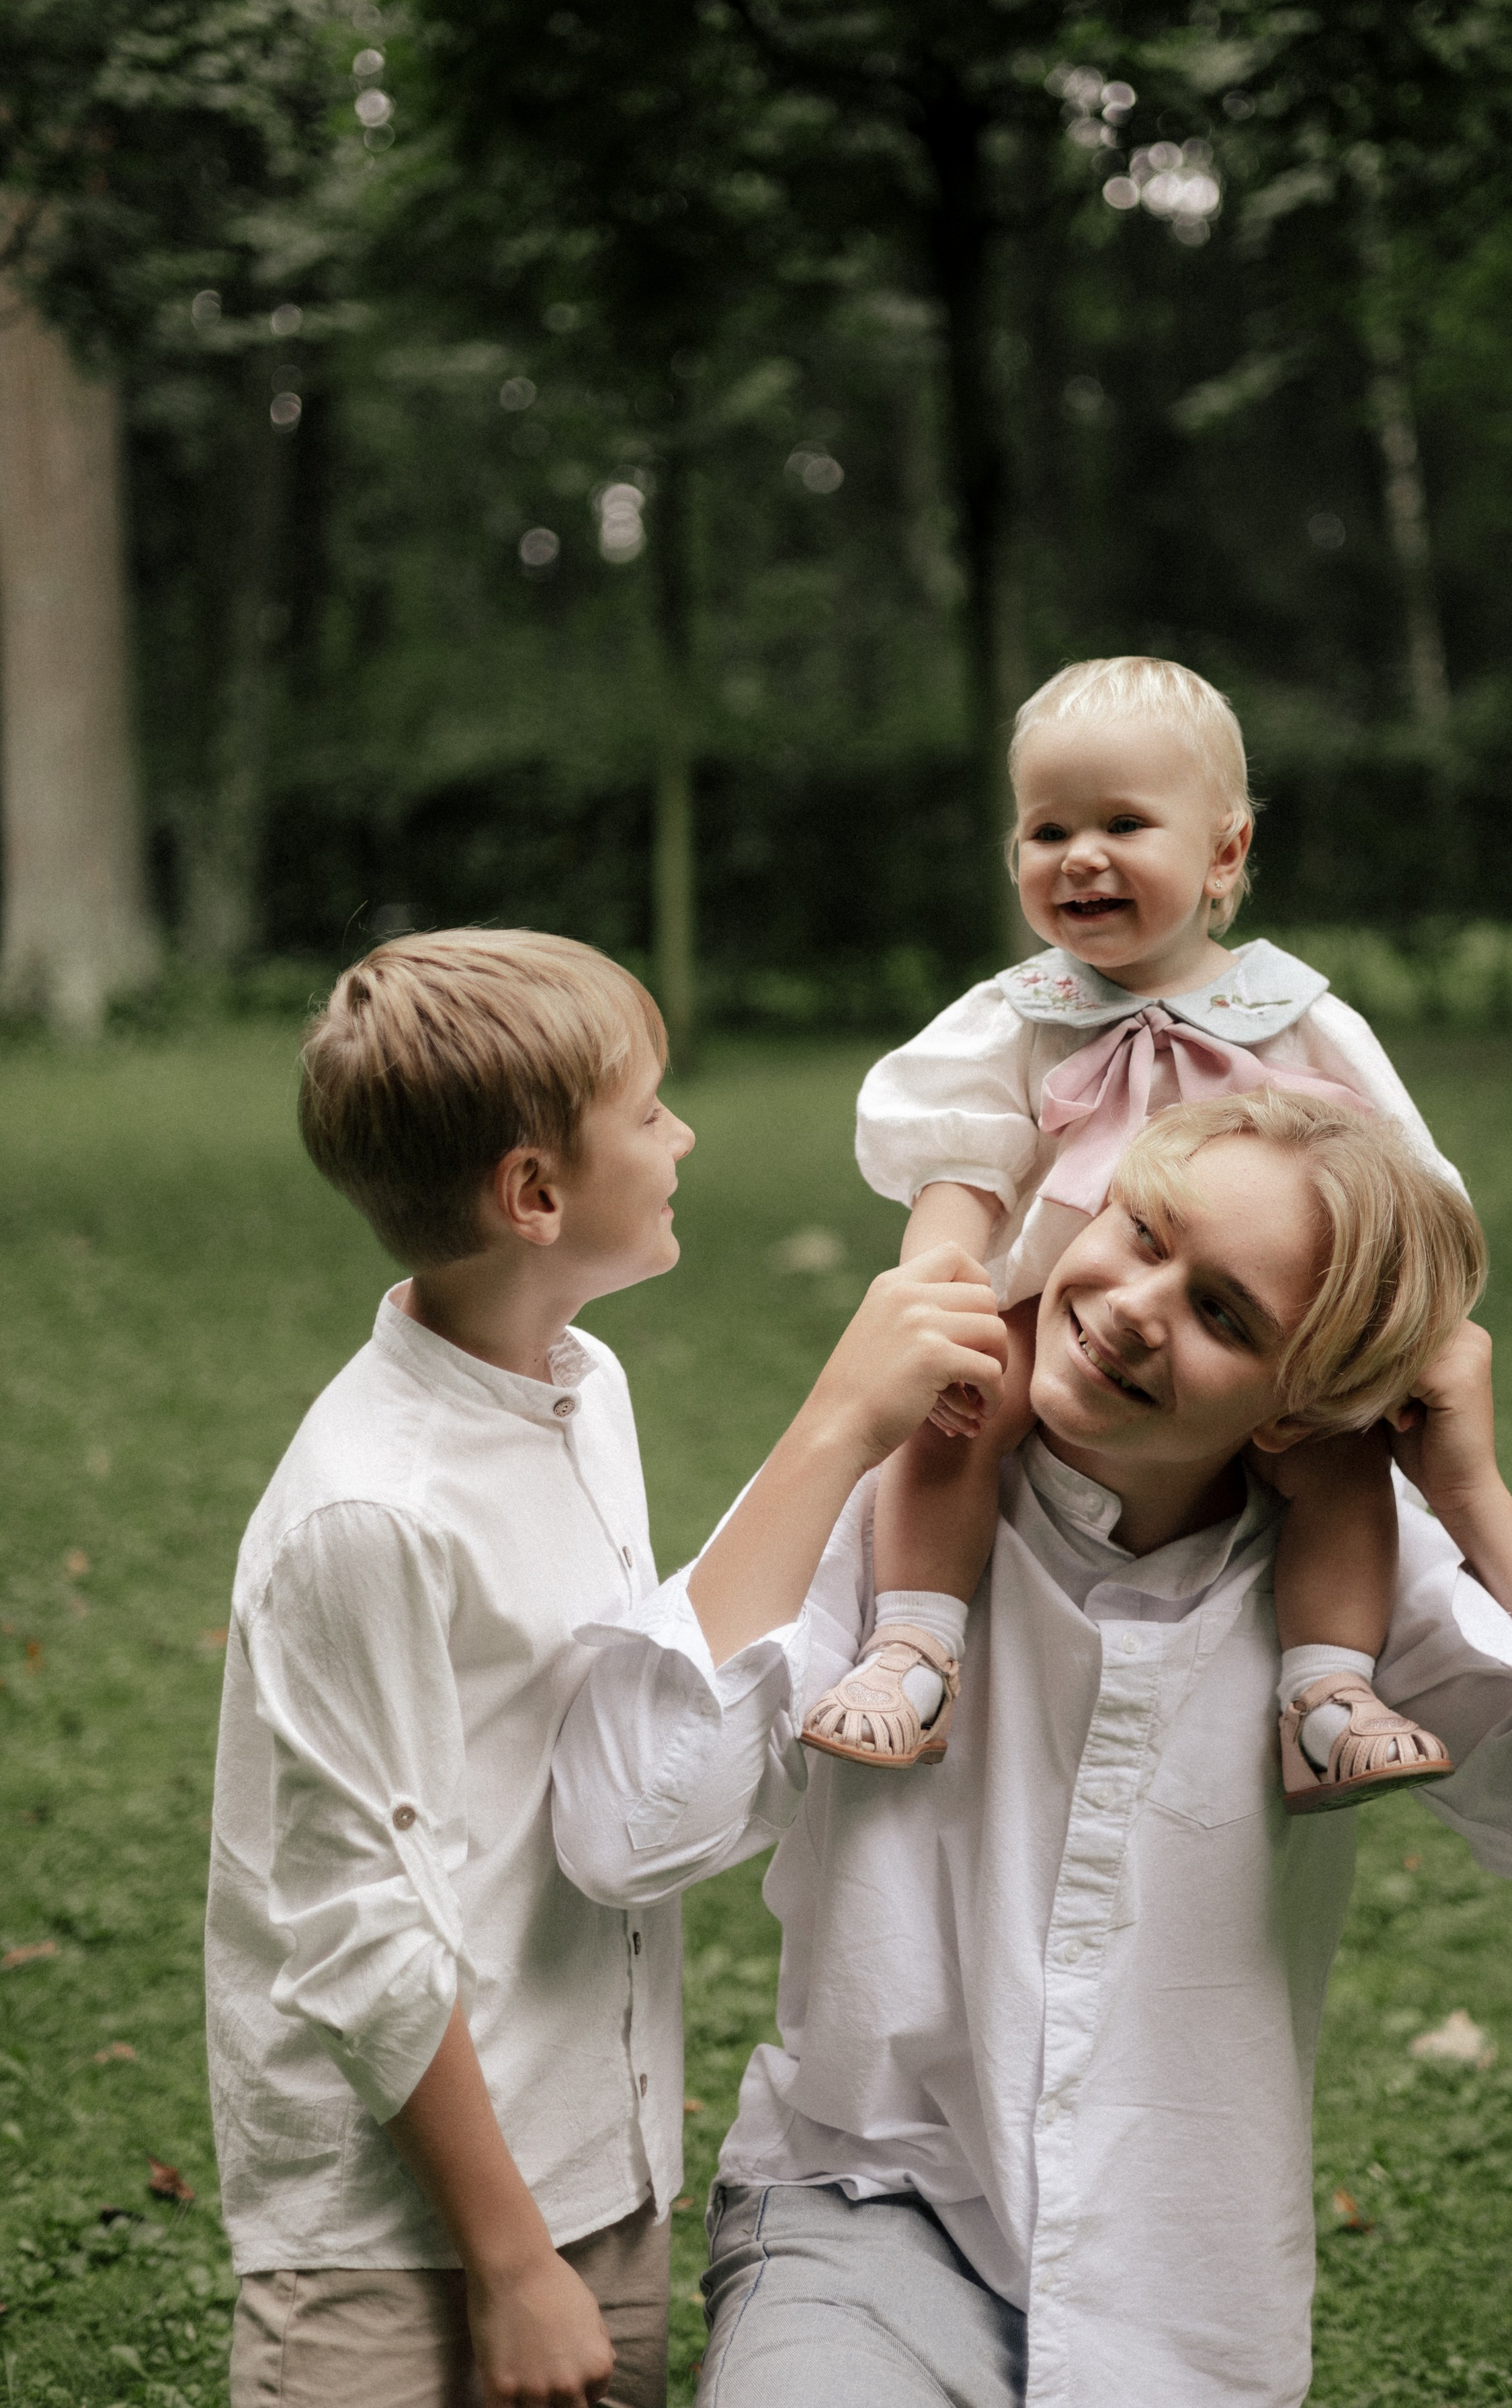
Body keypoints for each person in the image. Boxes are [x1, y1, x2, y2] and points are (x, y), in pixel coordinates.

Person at [552, 1091, 1512, 2408]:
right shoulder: (902, 1504)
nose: (1127, 1305)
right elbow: (622, 1834)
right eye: (1138, 1229)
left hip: (1181, 2284)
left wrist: (1472, 1500)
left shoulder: (1355, 1583)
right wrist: (833, 1425)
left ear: (1294, 1408)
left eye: (1222, 1313)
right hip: (869, 2209)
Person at [206, 926, 1011, 2408]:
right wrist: (511, 2265)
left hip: (593, 2169)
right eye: (647, 1111)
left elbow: (638, 1700)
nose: (684, 1131)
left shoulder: (582, 1386)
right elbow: (356, 1932)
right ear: (534, 1194)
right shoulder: (370, 1511)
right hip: (402, 2243)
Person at [804, 654, 1464, 1807]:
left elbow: (1400, 1196)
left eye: (1122, 823)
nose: (1081, 856)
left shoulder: (1299, 1023)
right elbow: (959, 1168)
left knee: (1341, 1464)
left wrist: (1411, 1338)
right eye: (1046, 829)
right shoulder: (1014, 1019)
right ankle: (915, 1645)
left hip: (1243, 1339)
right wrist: (937, 1306)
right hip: (1047, 1314)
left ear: (1224, 852)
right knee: (952, 1420)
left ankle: (1327, 1693)